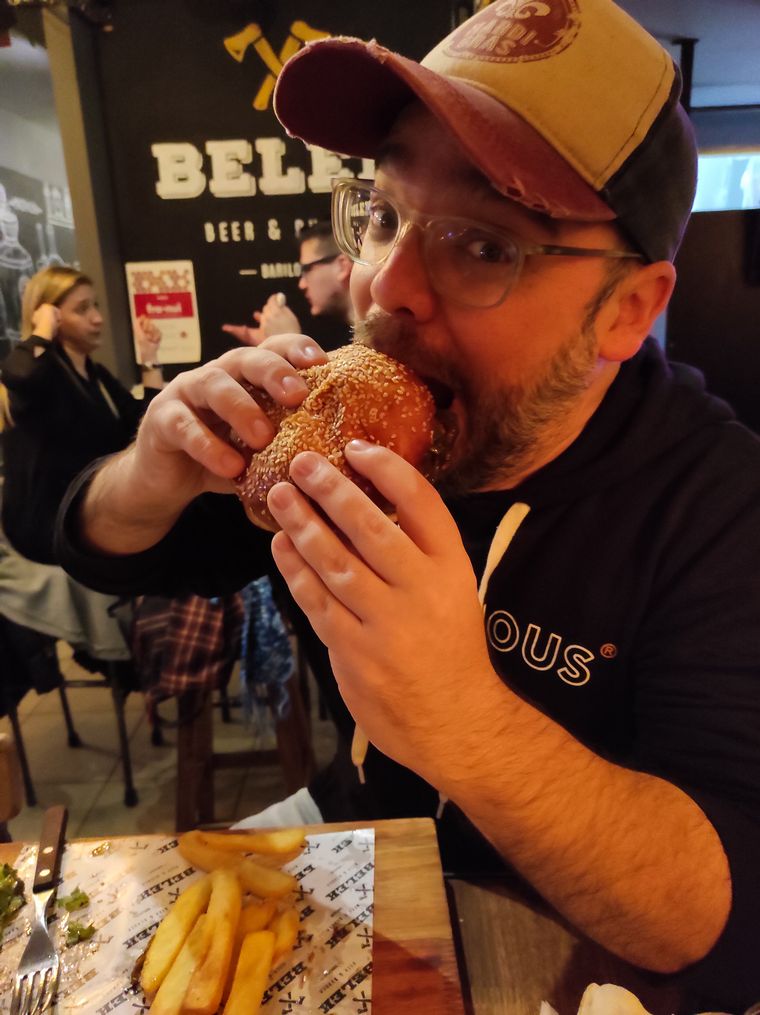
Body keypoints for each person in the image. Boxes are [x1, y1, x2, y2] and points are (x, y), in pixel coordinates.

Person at [55, 1, 760, 1008]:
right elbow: (107, 548)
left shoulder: (718, 512)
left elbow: (723, 922)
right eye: (382, 214)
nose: (384, 286)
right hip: (354, 900)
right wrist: (154, 465)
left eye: (482, 245)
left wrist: (464, 725)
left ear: (628, 309)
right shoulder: (345, 433)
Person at [1, 264, 163, 564]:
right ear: (53, 316)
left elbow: (143, 422)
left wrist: (150, 359)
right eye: (82, 309)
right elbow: (21, 374)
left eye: (96, 305)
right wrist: (42, 328)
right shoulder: (41, 375)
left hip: (87, 523)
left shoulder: (95, 375)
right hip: (49, 535)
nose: (97, 318)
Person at [222, 221, 353, 350]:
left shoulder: (371, 338)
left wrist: (291, 344)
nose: (302, 284)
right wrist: (278, 348)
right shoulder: (350, 340)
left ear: (342, 266)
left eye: (307, 269)